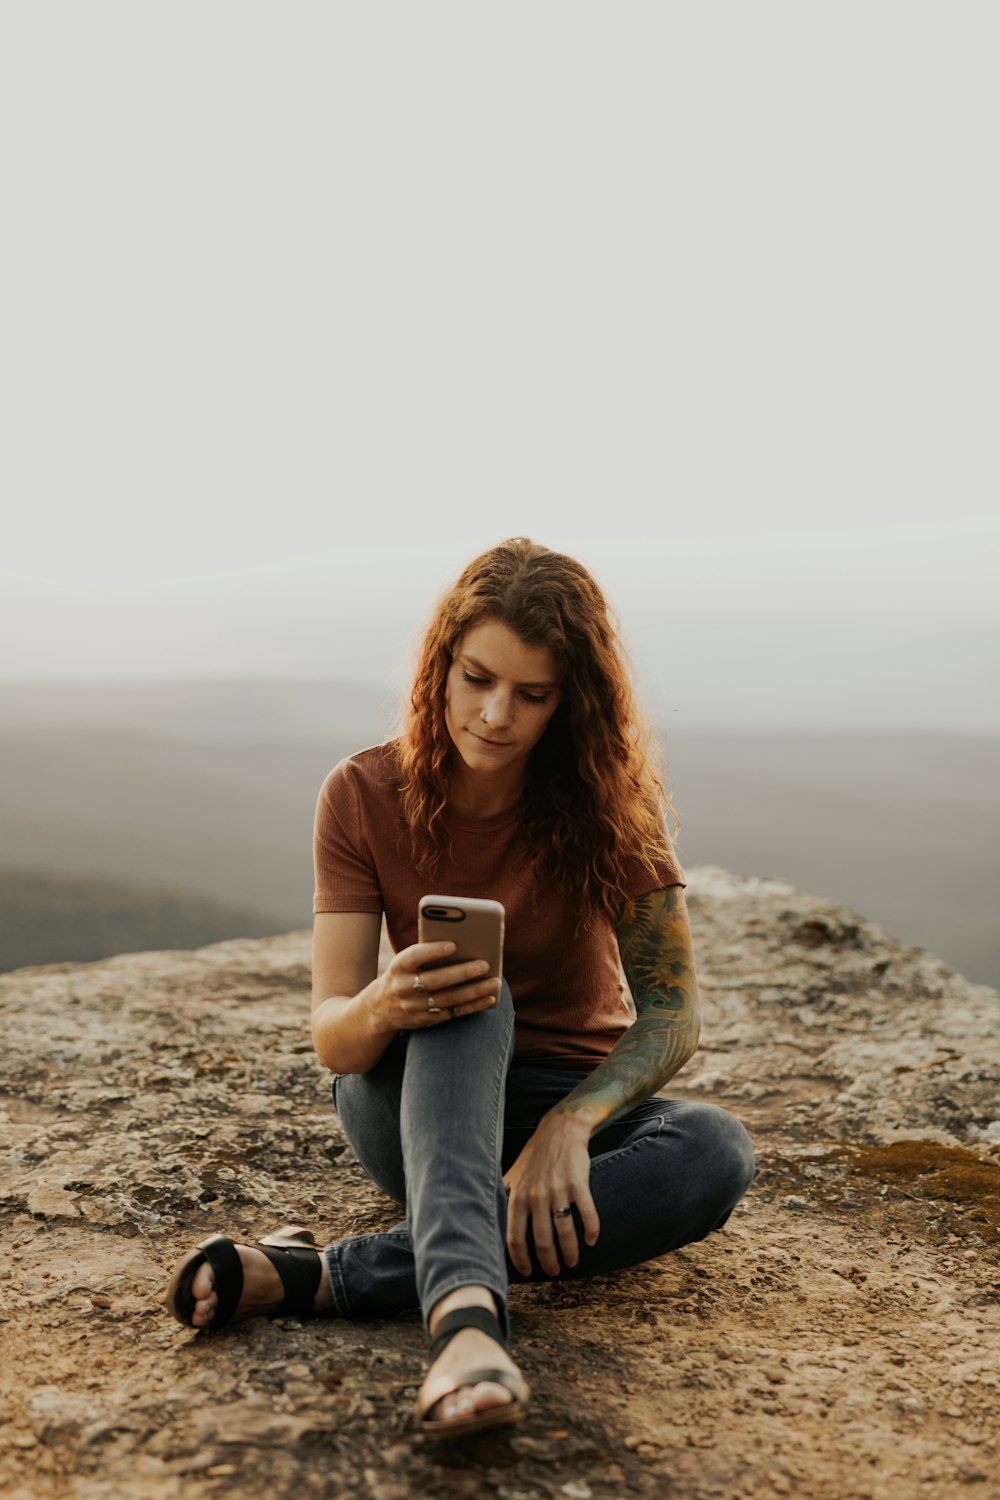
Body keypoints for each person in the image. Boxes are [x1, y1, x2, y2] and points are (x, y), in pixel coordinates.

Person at [165, 537, 755, 1439]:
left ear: (572, 701)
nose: (495, 714)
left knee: (715, 1149)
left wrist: (569, 1128)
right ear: (441, 663)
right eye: (477, 677)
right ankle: (467, 1330)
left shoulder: (609, 804)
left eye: (533, 694)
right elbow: (334, 1036)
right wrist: (386, 1002)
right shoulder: (362, 793)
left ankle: (317, 1276)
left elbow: (673, 1015)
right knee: (473, 991)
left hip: (561, 1106)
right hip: (411, 1096)